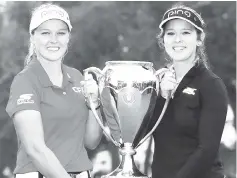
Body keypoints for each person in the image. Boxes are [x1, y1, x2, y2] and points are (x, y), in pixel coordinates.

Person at [6, 3, 103, 178]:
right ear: (33, 37)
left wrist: (94, 104)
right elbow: (35, 148)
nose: (54, 40)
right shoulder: (25, 81)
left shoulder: (76, 77)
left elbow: (91, 142)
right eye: (45, 33)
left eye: (61, 33)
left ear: (68, 38)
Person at [145, 3, 229, 178]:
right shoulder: (157, 85)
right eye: (171, 33)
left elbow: (207, 150)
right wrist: (161, 97)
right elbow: (144, 134)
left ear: (199, 38)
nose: (177, 39)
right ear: (163, 40)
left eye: (185, 32)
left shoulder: (211, 85)